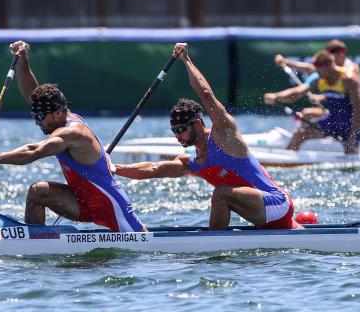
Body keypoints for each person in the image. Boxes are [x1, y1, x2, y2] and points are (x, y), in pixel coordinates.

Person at [113, 43, 301, 230]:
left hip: (276, 203)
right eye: (174, 131)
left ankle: (213, 252)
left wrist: (186, 60)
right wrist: (113, 168)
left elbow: (206, 95)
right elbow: (152, 170)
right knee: (222, 194)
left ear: (197, 123)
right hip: (268, 218)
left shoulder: (224, 136)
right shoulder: (193, 162)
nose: (178, 137)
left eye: (181, 129)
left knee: (221, 194)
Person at [0, 40, 146, 232]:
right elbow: (34, 95)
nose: (36, 122)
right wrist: (23, 60)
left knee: (144, 244)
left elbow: (36, 150)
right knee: (37, 193)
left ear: (57, 113)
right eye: (34, 116)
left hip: (111, 207)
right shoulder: (58, 116)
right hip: (82, 201)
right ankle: (35, 245)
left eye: (40, 117)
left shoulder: (73, 133)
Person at [264, 50, 360, 154]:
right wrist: (276, 97)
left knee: (350, 151)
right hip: (331, 120)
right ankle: (286, 161)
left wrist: (352, 136)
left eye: (318, 69)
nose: (315, 71)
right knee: (299, 134)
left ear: (329, 66)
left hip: (349, 124)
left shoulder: (348, 79)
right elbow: (297, 92)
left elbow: (359, 109)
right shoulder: (319, 78)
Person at [274, 39, 360, 120]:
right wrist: (285, 62)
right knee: (306, 114)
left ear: (342, 53)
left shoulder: (351, 69)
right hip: (334, 109)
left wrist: (323, 97)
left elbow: (350, 95)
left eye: (334, 54)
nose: (331, 57)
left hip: (351, 112)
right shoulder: (327, 69)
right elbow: (311, 68)